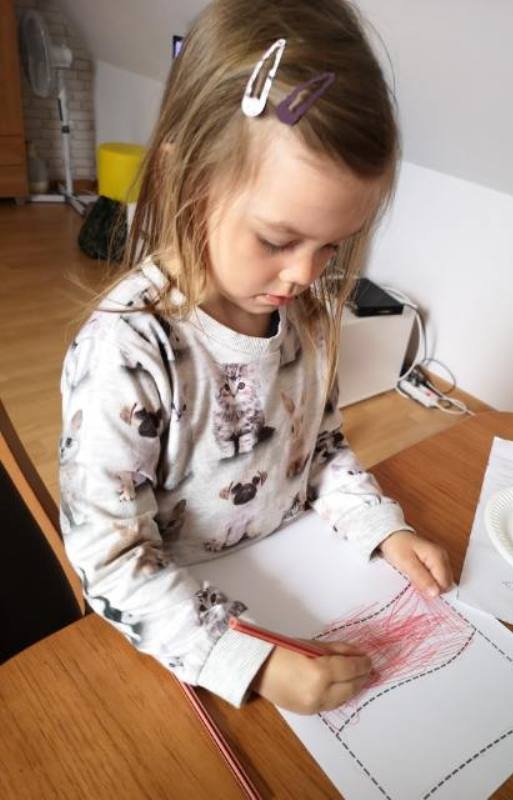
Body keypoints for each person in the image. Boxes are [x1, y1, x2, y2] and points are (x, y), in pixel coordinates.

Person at [59, 0, 452, 715]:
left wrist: (382, 527)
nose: (305, 274)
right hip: (185, 640)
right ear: (186, 179)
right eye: (277, 240)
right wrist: (254, 661)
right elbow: (110, 562)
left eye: (331, 246)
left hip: (302, 573)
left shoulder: (300, 313)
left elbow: (321, 448)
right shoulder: (127, 350)